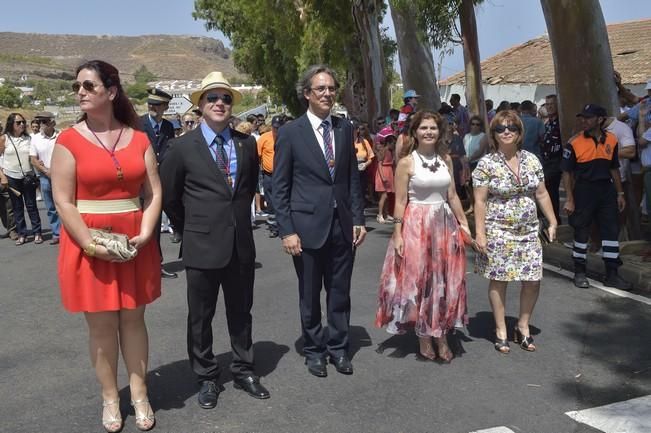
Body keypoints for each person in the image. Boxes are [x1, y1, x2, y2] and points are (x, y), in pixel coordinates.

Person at [51, 60, 161, 432]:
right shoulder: (67, 140)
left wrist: (146, 233)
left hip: (133, 241)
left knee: (133, 321)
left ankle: (140, 393)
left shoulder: (140, 138)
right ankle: (111, 397)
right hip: (88, 244)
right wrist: (89, 244)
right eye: (76, 86)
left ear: (111, 92)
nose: (80, 91)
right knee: (100, 328)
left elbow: (153, 192)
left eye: (88, 85)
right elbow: (63, 201)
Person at [160, 71, 270, 409]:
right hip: (201, 245)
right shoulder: (181, 148)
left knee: (241, 312)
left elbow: (248, 188)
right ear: (200, 106)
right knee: (200, 317)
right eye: (212, 98)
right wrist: (190, 226)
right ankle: (207, 376)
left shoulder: (246, 143)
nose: (219, 103)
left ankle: (243, 368)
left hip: (240, 245)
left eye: (225, 98)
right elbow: (170, 197)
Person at [272, 64, 366, 378]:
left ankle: (339, 349)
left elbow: (353, 178)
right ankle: (314, 352)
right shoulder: (289, 133)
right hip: (306, 229)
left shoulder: (344, 128)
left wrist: (358, 218)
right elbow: (279, 186)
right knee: (310, 296)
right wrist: (287, 230)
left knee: (340, 293)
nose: (327, 94)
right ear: (307, 94)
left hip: (342, 226)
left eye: (331, 88)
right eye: (320, 89)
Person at [376, 111, 470, 363]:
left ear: (440, 132)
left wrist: (464, 224)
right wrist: (397, 234)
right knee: (421, 281)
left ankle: (441, 334)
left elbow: (452, 196)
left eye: (433, 128)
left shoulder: (446, 160)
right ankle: (424, 335)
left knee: (444, 281)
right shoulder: (407, 162)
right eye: (423, 128)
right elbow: (401, 201)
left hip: (444, 224)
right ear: (415, 132)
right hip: (416, 225)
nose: (428, 132)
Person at [473, 110, 557, 354]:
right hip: (498, 229)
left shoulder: (531, 159)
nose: (507, 132)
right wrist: (480, 233)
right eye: (501, 128)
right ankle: (500, 329)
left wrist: (552, 221)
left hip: (528, 229)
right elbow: (479, 201)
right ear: (494, 134)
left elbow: (541, 193)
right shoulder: (486, 163)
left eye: (512, 128)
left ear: (520, 133)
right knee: (500, 279)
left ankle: (523, 325)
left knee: (532, 279)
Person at [562, 104, 631, 290]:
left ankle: (612, 274)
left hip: (606, 192)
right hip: (584, 191)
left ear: (600, 120)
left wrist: (620, 193)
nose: (584, 121)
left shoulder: (612, 139)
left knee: (610, 232)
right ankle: (580, 272)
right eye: (582, 118)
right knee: (581, 232)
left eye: (588, 118)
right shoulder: (574, 142)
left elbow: (614, 168)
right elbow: (567, 173)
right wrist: (569, 198)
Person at [140, 88, 178, 277]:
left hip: (161, 181)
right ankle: (139, 265)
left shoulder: (169, 127)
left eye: (157, 104)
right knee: (139, 226)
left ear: (165, 107)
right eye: (150, 104)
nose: (152, 107)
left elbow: (170, 149)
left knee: (154, 227)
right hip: (140, 183)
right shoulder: (137, 124)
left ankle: (156, 264)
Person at [0, 113, 42, 245]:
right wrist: (2, 177)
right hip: (11, 177)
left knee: (31, 206)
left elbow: (34, 156)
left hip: (28, 177)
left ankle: (37, 233)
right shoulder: (4, 139)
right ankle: (22, 234)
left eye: (23, 122)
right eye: (18, 123)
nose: (22, 125)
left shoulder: (29, 139)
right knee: (17, 207)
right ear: (11, 124)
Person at [29, 111, 61, 244]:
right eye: (40, 121)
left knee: (65, 205)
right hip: (44, 176)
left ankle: (69, 232)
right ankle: (57, 233)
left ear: (52, 122)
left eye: (44, 121)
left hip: (62, 175)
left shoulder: (61, 136)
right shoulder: (36, 138)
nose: (41, 124)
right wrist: (46, 172)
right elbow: (33, 159)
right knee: (51, 208)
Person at [257, 115, 285, 238]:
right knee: (271, 201)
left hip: (284, 174)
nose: (276, 130)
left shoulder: (286, 137)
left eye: (279, 128)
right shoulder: (264, 138)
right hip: (269, 175)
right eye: (275, 128)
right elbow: (257, 155)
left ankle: (285, 226)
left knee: (284, 200)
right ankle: (274, 227)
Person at [541, 94, 563, 224]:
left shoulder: (560, 122)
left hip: (557, 161)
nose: (549, 107)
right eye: (547, 104)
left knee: (551, 191)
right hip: (546, 161)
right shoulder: (547, 123)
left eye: (551, 104)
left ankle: (555, 220)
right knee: (548, 190)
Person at [375, 126, 395, 224]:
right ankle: (380, 214)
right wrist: (382, 176)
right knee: (384, 195)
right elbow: (379, 163)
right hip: (383, 172)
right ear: (388, 143)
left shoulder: (391, 152)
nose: (394, 145)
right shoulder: (384, 150)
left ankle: (386, 214)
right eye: (392, 143)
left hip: (389, 171)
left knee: (387, 195)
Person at [354, 121, 375, 205]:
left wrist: (365, 164)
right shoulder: (346, 141)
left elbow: (371, 157)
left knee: (362, 190)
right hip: (351, 170)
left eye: (355, 129)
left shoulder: (364, 141)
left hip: (362, 170)